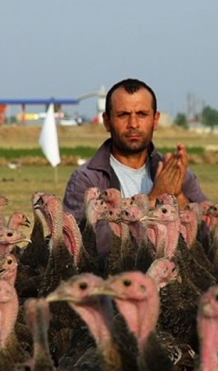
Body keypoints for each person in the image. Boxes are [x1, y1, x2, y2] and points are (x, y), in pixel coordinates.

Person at [63, 78, 208, 260]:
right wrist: (154, 199)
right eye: (123, 115)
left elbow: (209, 238)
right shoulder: (87, 180)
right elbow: (82, 246)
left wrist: (179, 198)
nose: (133, 124)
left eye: (142, 114)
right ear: (107, 121)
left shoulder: (178, 175)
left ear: (155, 120)